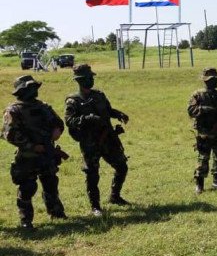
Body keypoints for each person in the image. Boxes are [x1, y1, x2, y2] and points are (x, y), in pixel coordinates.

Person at [2, 75, 68, 229]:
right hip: (28, 156)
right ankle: (26, 220)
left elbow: (58, 122)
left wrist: (57, 130)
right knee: (27, 188)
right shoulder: (13, 110)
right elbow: (9, 135)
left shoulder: (44, 107)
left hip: (47, 153)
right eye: (30, 88)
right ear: (22, 91)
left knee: (51, 183)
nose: (34, 91)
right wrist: (31, 146)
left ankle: (56, 212)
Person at [65, 64, 129, 215]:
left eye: (92, 77)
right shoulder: (73, 101)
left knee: (122, 167)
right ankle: (95, 206)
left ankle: (115, 196)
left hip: (108, 138)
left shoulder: (99, 95)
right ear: (80, 80)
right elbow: (69, 121)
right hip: (90, 142)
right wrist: (87, 118)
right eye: (88, 78)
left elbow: (108, 111)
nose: (91, 80)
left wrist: (119, 114)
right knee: (92, 174)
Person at [187, 68, 217, 194]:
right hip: (204, 132)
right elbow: (191, 111)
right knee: (203, 158)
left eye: (216, 80)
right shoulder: (198, 95)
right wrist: (206, 110)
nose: (215, 82)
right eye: (212, 80)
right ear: (205, 81)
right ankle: (199, 184)